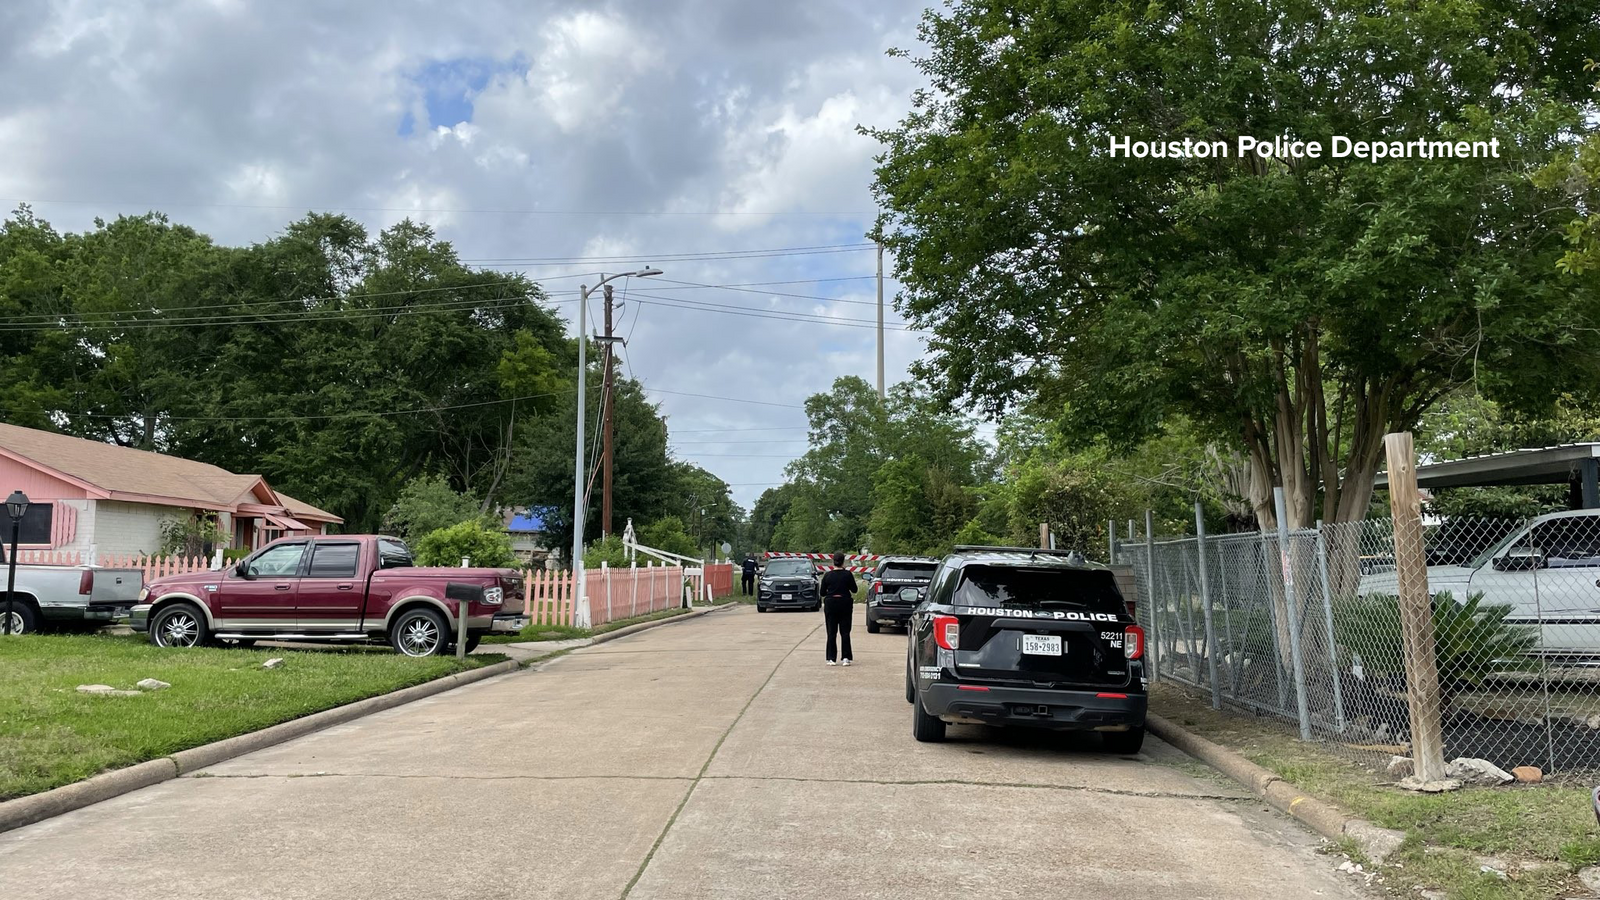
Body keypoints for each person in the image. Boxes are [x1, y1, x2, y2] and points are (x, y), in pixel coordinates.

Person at [818, 551, 858, 666]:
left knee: (831, 632)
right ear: (843, 562)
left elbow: (822, 593)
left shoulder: (828, 575)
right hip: (845, 603)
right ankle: (846, 657)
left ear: (833, 561)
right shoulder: (847, 575)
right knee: (845, 631)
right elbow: (854, 590)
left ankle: (831, 658)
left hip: (831, 604)